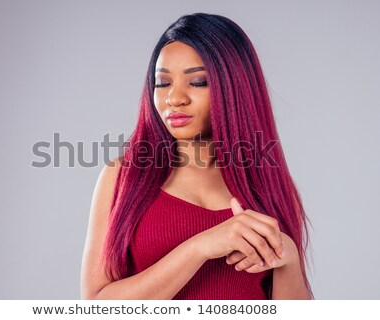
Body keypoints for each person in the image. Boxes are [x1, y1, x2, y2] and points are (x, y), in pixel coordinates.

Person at [81, 13, 313, 300]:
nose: (174, 98)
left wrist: (287, 256)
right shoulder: (123, 176)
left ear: (235, 87)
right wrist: (200, 247)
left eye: (198, 82)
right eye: (162, 83)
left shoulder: (269, 183)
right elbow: (95, 306)